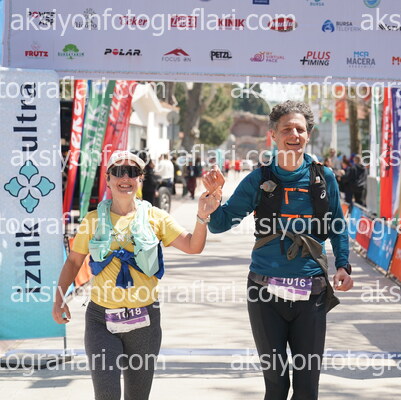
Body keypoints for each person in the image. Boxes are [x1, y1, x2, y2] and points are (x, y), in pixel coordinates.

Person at [203, 101, 353, 400]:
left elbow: (337, 225)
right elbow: (219, 224)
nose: (294, 134)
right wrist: (214, 196)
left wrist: (343, 265)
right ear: (273, 134)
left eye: (300, 129)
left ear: (308, 134)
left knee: (307, 387)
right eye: (287, 129)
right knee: (276, 385)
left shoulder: (324, 178)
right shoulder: (259, 180)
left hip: (311, 292)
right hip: (264, 293)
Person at [52, 150, 221, 400]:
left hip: (145, 321)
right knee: (107, 395)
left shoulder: (156, 217)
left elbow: (193, 246)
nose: (125, 178)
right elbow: (74, 261)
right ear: (108, 179)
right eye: (118, 172)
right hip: (101, 320)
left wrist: (202, 217)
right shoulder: (92, 220)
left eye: (132, 172)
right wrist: (59, 299)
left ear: (140, 178)